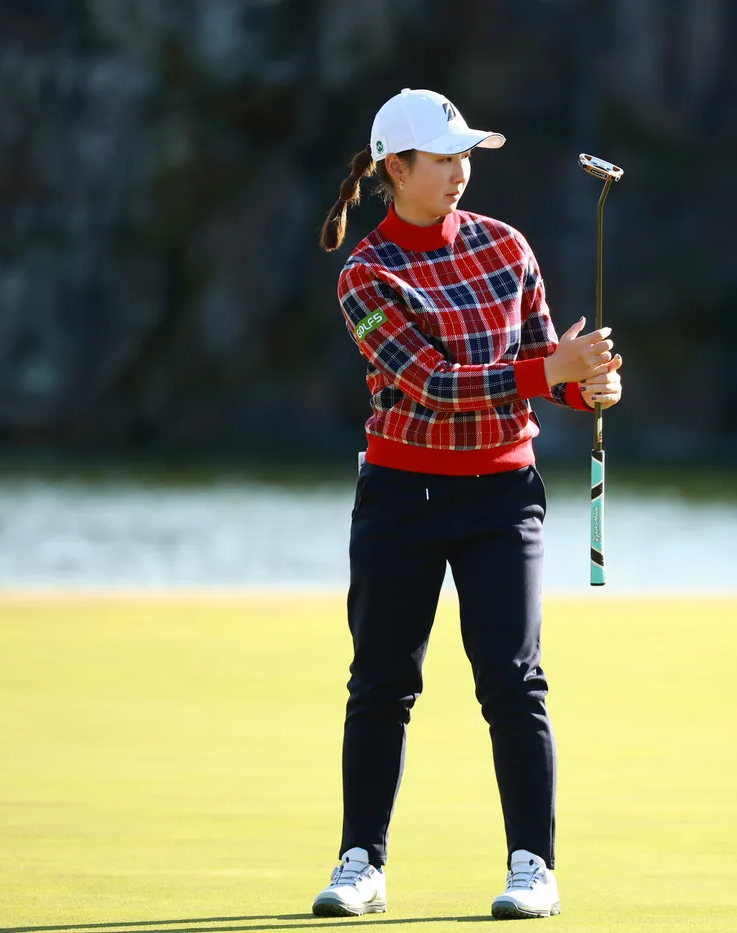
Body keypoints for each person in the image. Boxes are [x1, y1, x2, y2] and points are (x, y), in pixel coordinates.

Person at [310, 88, 623, 921]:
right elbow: (432, 384)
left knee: (514, 683)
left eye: (465, 158)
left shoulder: (506, 247)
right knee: (382, 683)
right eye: (444, 159)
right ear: (396, 168)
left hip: (502, 497)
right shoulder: (366, 274)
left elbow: (543, 366)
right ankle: (361, 863)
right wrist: (550, 373)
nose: (460, 173)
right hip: (400, 497)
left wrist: (588, 386)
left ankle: (533, 867)